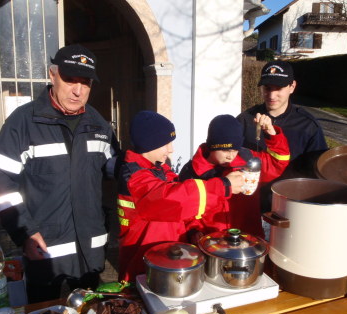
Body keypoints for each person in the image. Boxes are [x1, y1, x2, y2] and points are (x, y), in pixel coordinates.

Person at [0, 44, 120, 303]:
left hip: (90, 250)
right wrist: (24, 233)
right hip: (45, 251)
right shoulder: (23, 122)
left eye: (86, 82)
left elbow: (113, 167)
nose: (78, 90)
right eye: (70, 80)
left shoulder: (98, 123)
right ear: (52, 75)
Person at [117, 110, 244, 282]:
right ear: (149, 144)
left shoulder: (159, 170)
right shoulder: (134, 179)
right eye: (165, 144)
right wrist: (224, 186)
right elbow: (173, 199)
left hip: (166, 262)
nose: (171, 150)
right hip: (142, 269)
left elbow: (181, 207)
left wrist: (192, 228)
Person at [179, 114, 290, 239]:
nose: (230, 156)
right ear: (211, 146)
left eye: (235, 150)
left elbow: (278, 162)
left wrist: (271, 132)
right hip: (213, 241)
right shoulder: (192, 172)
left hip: (248, 238)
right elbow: (185, 208)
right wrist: (193, 230)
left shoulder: (247, 160)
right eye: (225, 150)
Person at [237, 60, 328, 212]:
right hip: (249, 206)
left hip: (290, 206)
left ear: (292, 87)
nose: (272, 95)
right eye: (267, 88)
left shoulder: (307, 126)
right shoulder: (245, 120)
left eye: (279, 88)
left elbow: (319, 172)